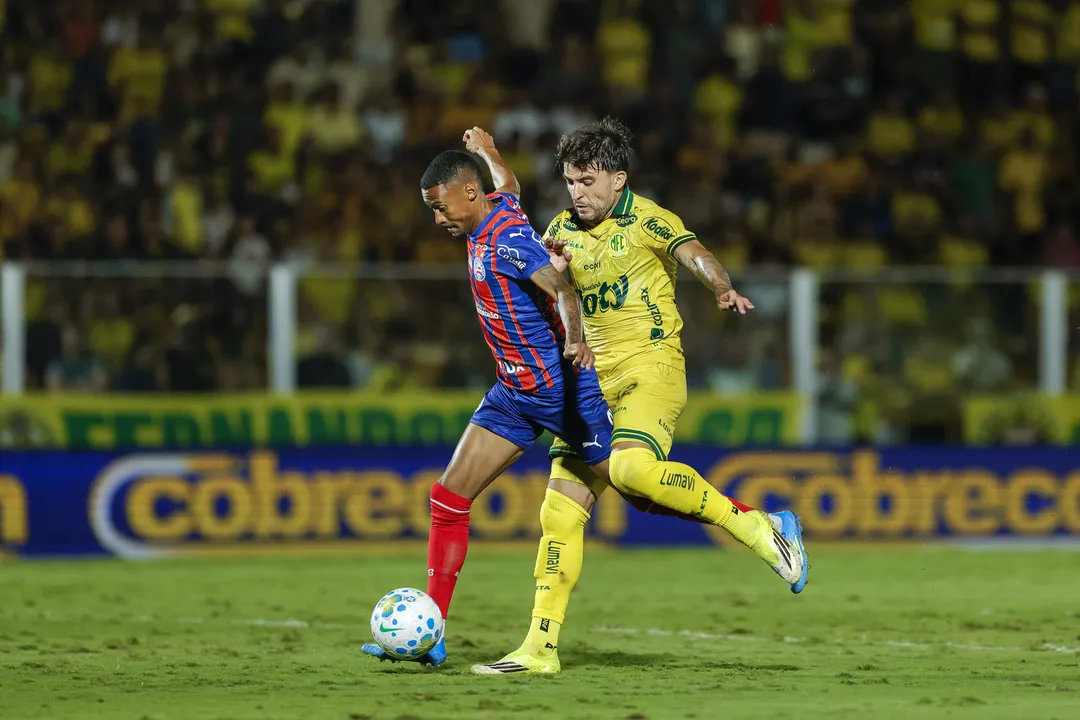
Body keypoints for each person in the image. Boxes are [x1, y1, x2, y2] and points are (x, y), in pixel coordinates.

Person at [472, 118, 809, 676]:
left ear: (617, 179)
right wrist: (552, 267)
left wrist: (721, 286)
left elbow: (695, 252)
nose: (577, 192)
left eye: (587, 180)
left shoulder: (651, 218)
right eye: (570, 181)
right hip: (589, 383)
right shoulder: (560, 227)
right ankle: (538, 649)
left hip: (650, 368)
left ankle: (758, 527)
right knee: (558, 513)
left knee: (629, 471)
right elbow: (548, 284)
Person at [361, 128, 614, 667]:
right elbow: (508, 183)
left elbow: (563, 290)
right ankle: (433, 632)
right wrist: (489, 151)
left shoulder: (509, 241)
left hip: (559, 391)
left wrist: (574, 340)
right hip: (512, 392)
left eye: (439, 205)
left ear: (467, 193)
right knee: (448, 497)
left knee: (640, 488)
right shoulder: (495, 206)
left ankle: (751, 524)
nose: (436, 218)